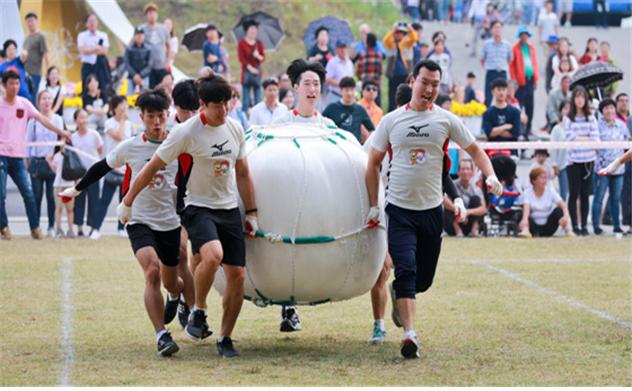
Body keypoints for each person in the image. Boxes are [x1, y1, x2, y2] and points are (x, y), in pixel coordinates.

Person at [365, 60, 502, 359]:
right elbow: (372, 163)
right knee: (407, 270)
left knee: (423, 280)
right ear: (413, 80)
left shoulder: (446, 121)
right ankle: (410, 336)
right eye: (424, 82)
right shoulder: (390, 121)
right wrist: (373, 206)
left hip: (431, 212)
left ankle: (402, 297)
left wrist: (490, 176)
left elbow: (476, 151)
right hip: (399, 210)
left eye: (435, 84)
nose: (429, 89)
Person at [119, 74, 258, 358]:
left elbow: (243, 172)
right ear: (203, 105)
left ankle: (225, 338)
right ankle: (199, 309)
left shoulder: (235, 129)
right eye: (217, 105)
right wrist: (128, 201)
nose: (224, 110)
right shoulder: (185, 133)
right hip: (198, 207)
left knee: (238, 276)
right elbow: (151, 167)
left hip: (228, 207)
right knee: (212, 255)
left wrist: (252, 212)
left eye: (227, 103)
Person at [61, 89, 187, 356]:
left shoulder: (178, 144)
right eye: (150, 116)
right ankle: (161, 335)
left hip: (169, 222)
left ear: (168, 116)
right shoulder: (131, 146)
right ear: (140, 117)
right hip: (139, 219)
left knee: (172, 281)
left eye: (161, 116)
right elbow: (101, 167)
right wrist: (77, 189)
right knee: (151, 271)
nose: (156, 122)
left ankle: (176, 295)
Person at [271, 59, 334, 332]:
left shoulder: (328, 126)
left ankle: (298, 302)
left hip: (317, 203)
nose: (312, 89)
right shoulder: (282, 121)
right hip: (286, 200)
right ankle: (289, 307)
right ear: (295, 87)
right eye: (306, 83)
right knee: (287, 255)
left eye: (316, 84)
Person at [0, 69, 69, 240]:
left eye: (17, 83)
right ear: (4, 85)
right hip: (1, 155)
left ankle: (35, 228)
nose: (15, 87)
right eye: (11, 84)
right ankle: (4, 227)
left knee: (28, 193)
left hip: (18, 156)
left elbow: (43, 120)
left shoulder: (24, 103)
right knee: (1, 194)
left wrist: (62, 132)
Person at [89, 95, 135, 240]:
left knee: (124, 202)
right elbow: (119, 136)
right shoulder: (109, 123)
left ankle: (121, 228)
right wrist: (122, 120)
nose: (124, 107)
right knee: (105, 201)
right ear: (114, 108)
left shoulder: (129, 124)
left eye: (125, 104)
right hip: (112, 168)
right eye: (121, 105)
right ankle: (96, 229)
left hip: (126, 169)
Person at [26, 90, 63, 237]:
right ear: (38, 102)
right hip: (37, 162)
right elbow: (28, 142)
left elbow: (61, 141)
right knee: (36, 196)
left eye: (49, 98)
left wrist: (54, 156)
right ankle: (35, 227)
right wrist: (27, 162)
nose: (47, 101)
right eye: (43, 99)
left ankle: (51, 226)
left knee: (51, 196)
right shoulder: (33, 120)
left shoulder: (58, 119)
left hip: (53, 163)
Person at [563, 85, 599, 235]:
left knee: (585, 194)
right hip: (574, 161)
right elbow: (569, 138)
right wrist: (585, 138)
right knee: (574, 193)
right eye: (577, 97)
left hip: (588, 160)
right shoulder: (568, 118)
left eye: (582, 97)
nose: (579, 100)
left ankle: (584, 225)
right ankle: (575, 226)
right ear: (573, 99)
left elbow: (595, 138)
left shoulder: (591, 118)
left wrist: (582, 139)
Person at [592, 98, 627, 235]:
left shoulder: (621, 125)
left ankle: (616, 225)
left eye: (611, 108)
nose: (609, 111)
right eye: (606, 108)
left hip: (618, 168)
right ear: (602, 111)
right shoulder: (597, 125)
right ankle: (596, 225)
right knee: (599, 197)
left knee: (615, 198)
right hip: (603, 168)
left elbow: (627, 142)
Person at [70, 108, 102, 237]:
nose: (84, 120)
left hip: (93, 174)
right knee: (79, 202)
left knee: (94, 202)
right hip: (79, 176)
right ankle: (79, 228)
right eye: (81, 117)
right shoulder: (72, 137)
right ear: (76, 121)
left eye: (85, 117)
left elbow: (99, 150)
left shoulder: (94, 134)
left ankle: (93, 228)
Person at [518, 166, 574, 237]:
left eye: (545, 178)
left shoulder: (550, 191)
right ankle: (525, 231)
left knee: (559, 210)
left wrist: (566, 216)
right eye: (541, 178)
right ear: (534, 180)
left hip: (548, 226)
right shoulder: (527, 192)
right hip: (533, 226)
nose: (544, 180)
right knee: (521, 214)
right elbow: (526, 208)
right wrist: (525, 220)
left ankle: (568, 230)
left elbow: (563, 205)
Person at [323, 77, 375, 144]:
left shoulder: (360, 109)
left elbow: (372, 130)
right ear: (341, 91)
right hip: (337, 146)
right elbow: (321, 125)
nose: (349, 93)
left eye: (352, 90)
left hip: (355, 147)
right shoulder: (331, 108)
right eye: (347, 90)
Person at [443, 159, 486, 237]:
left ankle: (474, 230)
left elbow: (483, 209)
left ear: (472, 172)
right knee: (451, 202)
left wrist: (466, 212)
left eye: (468, 169)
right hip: (453, 223)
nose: (465, 172)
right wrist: (458, 210)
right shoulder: (452, 185)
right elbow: (444, 200)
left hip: (468, 221)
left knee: (475, 199)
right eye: (463, 169)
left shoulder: (476, 188)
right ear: (458, 172)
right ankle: (458, 231)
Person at [509, 26, 537, 139]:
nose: (524, 37)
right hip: (520, 82)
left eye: (526, 35)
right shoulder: (515, 48)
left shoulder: (531, 48)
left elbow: (534, 64)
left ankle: (528, 128)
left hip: (530, 79)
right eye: (522, 35)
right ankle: (520, 128)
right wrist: (514, 80)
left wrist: (536, 78)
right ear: (519, 36)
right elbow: (511, 66)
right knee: (519, 105)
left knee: (530, 106)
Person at [383, 22, 418, 112]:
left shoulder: (407, 43)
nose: (399, 35)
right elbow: (385, 40)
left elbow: (414, 38)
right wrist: (392, 31)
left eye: (401, 33)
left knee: (406, 94)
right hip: (393, 74)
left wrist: (410, 29)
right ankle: (391, 112)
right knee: (392, 95)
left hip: (405, 74)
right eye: (397, 33)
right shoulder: (391, 44)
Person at [480, 21, 512, 107]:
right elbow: (482, 59)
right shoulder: (486, 44)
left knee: (503, 96)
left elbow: (510, 59)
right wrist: (488, 67)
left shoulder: (507, 45)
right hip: (491, 72)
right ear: (491, 30)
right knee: (488, 96)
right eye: (495, 27)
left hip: (502, 72)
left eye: (499, 27)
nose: (498, 29)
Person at [77, 14, 109, 95]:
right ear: (86, 24)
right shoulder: (82, 35)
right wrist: (96, 48)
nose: (92, 23)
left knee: (102, 86)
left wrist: (90, 49)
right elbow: (83, 50)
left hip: (100, 65)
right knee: (86, 87)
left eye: (94, 21)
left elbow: (104, 51)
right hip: (87, 65)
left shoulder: (102, 35)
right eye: (90, 21)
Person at [48, 142, 75, 238]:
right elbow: (49, 160)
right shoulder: (57, 155)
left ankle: (70, 230)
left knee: (70, 209)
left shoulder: (72, 154)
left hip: (70, 185)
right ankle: (58, 229)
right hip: (59, 185)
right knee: (59, 208)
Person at [482, 78, 521, 145]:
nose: (501, 92)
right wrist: (505, 127)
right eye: (499, 89)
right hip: (492, 150)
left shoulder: (515, 112)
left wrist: (495, 131)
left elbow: (515, 133)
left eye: (503, 89)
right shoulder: (487, 113)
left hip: (511, 150)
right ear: (493, 92)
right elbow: (489, 133)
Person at [140, 3, 171, 88]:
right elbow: (136, 46)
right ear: (146, 15)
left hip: (161, 66)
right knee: (150, 90)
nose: (152, 15)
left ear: (157, 14)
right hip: (147, 67)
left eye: (154, 13)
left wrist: (168, 61)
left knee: (163, 89)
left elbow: (169, 46)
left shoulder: (163, 29)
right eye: (150, 13)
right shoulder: (142, 29)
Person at [237, 19, 265, 111]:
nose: (253, 31)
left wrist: (258, 56)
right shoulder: (242, 43)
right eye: (251, 29)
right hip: (246, 74)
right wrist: (250, 68)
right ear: (246, 30)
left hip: (257, 74)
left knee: (258, 99)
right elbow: (241, 58)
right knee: (245, 101)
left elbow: (263, 58)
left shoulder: (259, 43)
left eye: (255, 29)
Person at [23, 12, 49, 104]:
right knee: (24, 96)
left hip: (35, 72)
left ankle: (33, 118)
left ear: (36, 21)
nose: (30, 23)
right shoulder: (26, 38)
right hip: (24, 73)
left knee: (33, 97)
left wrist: (48, 71)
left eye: (32, 21)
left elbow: (46, 54)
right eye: (28, 21)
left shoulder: (40, 37)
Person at [355, 33, 384, 105]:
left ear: (367, 43)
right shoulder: (378, 56)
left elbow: (358, 72)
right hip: (375, 86)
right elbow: (380, 72)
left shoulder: (363, 55)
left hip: (365, 87)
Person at [550, 101, 571, 200]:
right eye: (565, 108)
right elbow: (553, 148)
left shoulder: (576, 127)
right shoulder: (557, 129)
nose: (568, 111)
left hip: (575, 163)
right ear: (561, 111)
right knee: (564, 193)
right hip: (563, 164)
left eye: (570, 108)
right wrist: (554, 164)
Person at [325, 41, 354, 107]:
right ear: (336, 49)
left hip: (348, 96)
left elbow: (352, 78)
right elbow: (327, 79)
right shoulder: (332, 62)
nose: (343, 50)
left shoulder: (349, 63)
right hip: (335, 95)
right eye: (341, 48)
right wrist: (342, 84)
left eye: (344, 48)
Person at [125, 27, 152, 95]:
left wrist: (141, 75)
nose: (139, 36)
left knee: (145, 97)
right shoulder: (129, 49)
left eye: (141, 34)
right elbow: (127, 63)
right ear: (134, 36)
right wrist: (134, 75)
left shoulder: (148, 49)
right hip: (131, 77)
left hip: (144, 77)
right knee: (129, 97)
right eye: (138, 34)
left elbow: (150, 65)